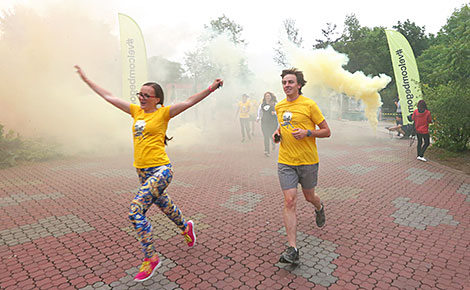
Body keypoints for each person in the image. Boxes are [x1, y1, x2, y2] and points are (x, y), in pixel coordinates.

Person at [74, 65, 223, 282]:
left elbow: (190, 101)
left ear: (156, 99)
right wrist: (88, 80)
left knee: (135, 211)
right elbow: (109, 96)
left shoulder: (164, 113)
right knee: (165, 207)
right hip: (142, 172)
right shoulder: (136, 111)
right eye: (140, 94)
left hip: (161, 170)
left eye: (146, 95)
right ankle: (186, 227)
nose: (141, 98)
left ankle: (151, 257)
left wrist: (211, 88)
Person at [272, 68, 331, 264]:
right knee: (289, 201)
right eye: (284, 83)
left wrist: (307, 133)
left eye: (290, 82)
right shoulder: (279, 106)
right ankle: (293, 249)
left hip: (308, 161)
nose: (286, 85)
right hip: (286, 161)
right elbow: (283, 125)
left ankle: (319, 206)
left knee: (309, 196)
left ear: (299, 85)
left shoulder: (309, 105)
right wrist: (277, 134)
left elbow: (326, 131)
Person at [256, 92, 278, 157]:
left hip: (273, 122)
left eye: (269, 96)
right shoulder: (262, 105)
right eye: (266, 96)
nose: (267, 97)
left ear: (271, 97)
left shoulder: (275, 104)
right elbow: (259, 111)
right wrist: (258, 117)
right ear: (265, 97)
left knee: (271, 134)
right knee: (266, 136)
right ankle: (266, 150)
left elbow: (279, 111)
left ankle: (273, 142)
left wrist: (275, 113)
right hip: (264, 122)